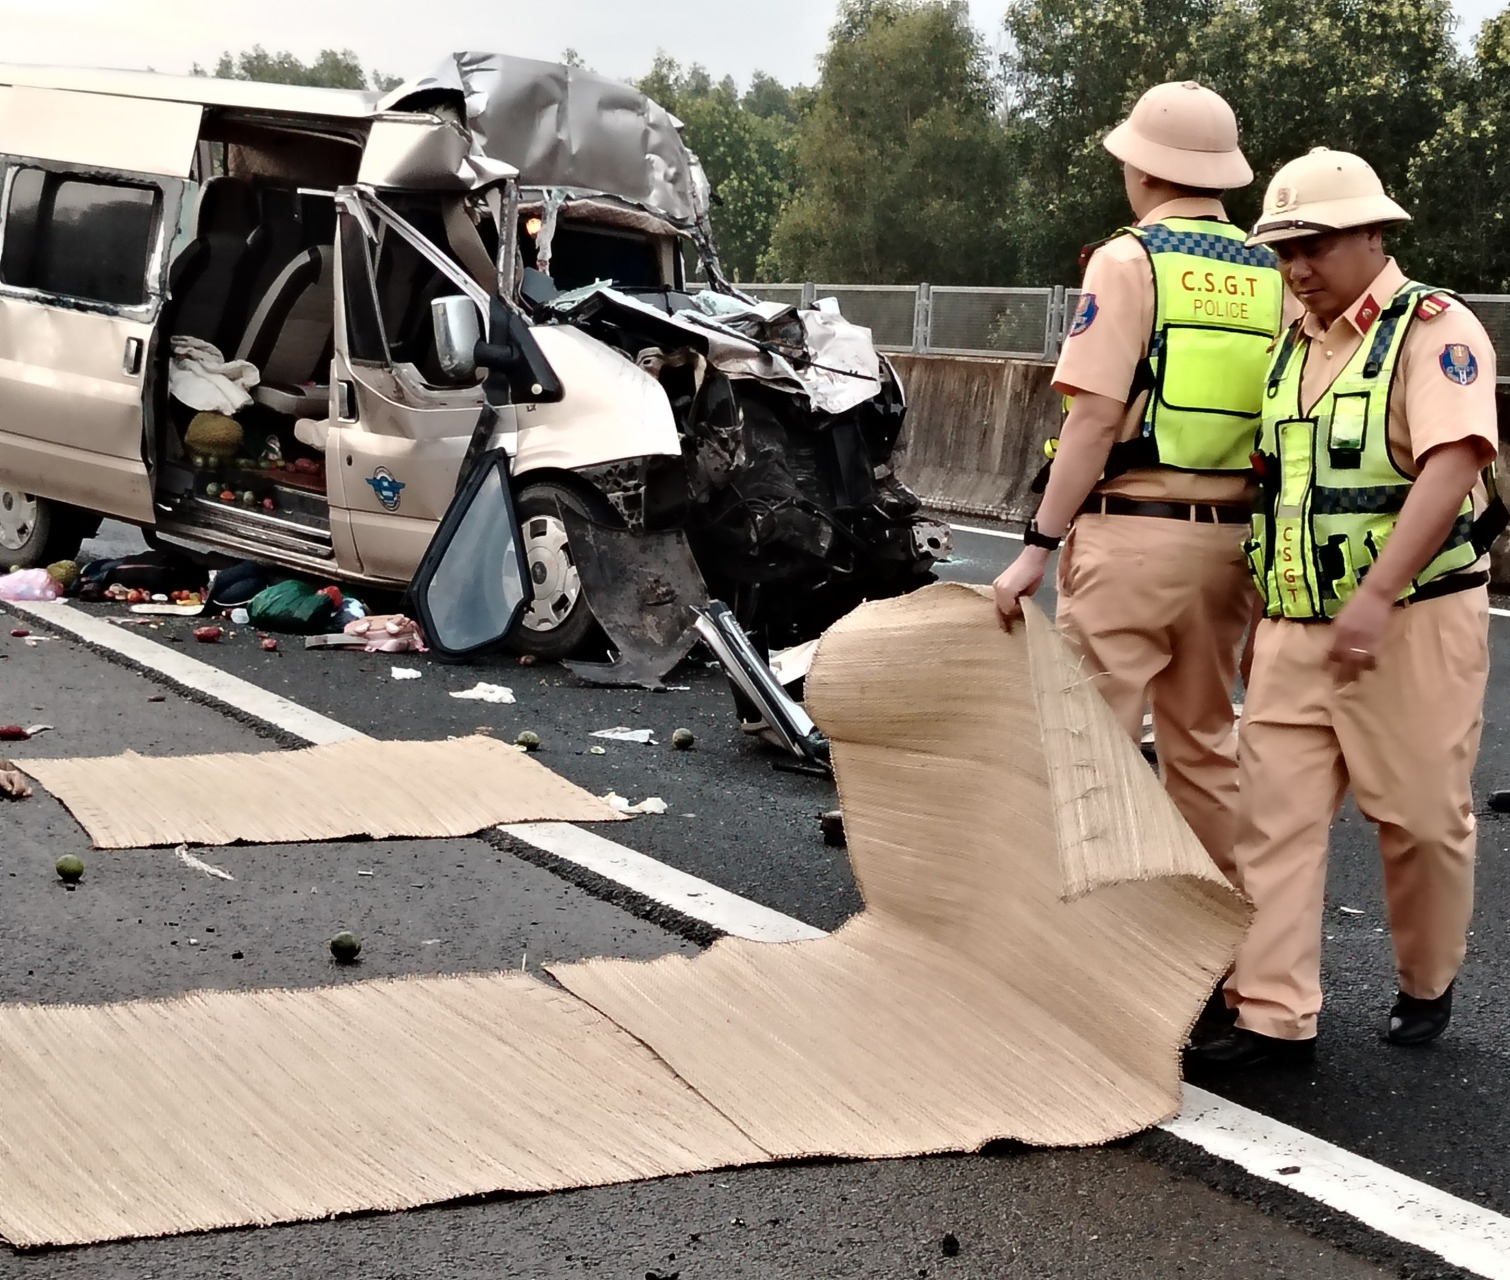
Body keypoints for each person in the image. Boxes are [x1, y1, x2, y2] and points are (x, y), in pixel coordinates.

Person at [1186, 148, 1505, 1074]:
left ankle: (1427, 977)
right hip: (1294, 627)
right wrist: (1262, 616)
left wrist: (1374, 596)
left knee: (1417, 818)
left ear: (1373, 233)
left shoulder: (1435, 329)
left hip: (1413, 623)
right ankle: (1272, 1016)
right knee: (1271, 818)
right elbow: (1281, 491)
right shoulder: (1293, 342)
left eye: (1315, 245)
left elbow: (1453, 464)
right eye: (1285, 248)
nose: (1296, 268)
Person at [994, 80, 1283, 882]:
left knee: (1095, 748)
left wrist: (1036, 546)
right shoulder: (1273, 273)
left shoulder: (1129, 260)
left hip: (1133, 535)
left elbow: (1090, 422)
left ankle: (1096, 957)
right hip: (1234, 546)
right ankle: (1227, 946)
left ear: (1144, 172)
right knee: (1203, 745)